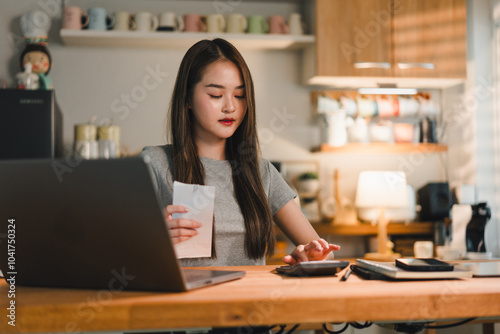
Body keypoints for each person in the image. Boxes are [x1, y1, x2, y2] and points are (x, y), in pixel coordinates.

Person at [138, 38, 340, 267]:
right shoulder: (153, 163)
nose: (230, 107)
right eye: (216, 95)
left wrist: (312, 255)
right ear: (187, 99)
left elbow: (323, 253)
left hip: (249, 301)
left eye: (240, 95)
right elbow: (112, 253)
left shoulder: (261, 172)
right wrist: (151, 240)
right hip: (185, 302)